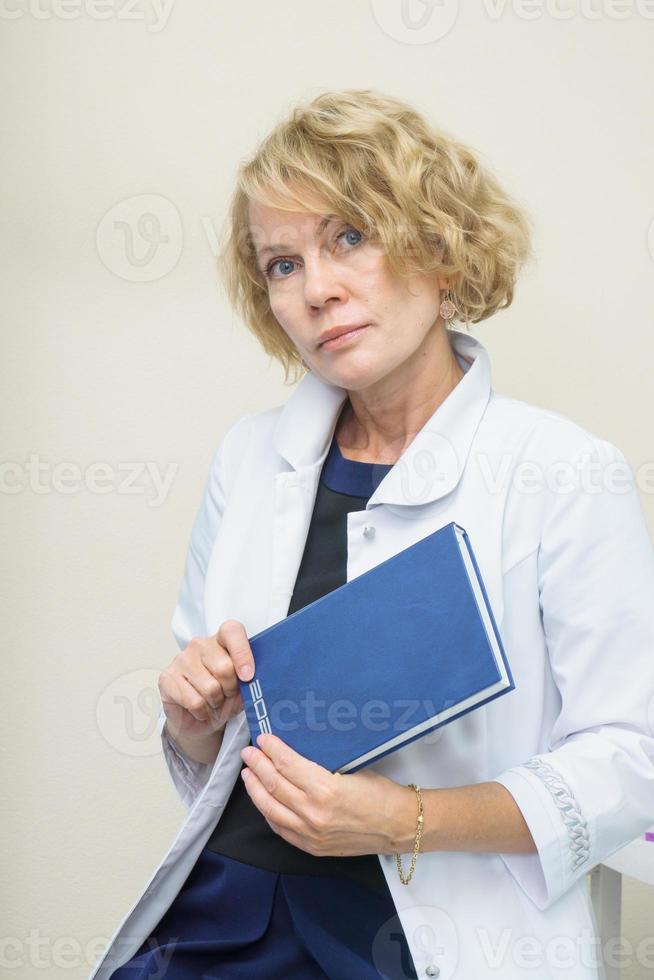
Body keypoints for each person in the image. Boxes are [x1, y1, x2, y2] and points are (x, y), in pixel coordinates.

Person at [90, 89, 654, 980]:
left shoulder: (564, 472)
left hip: (423, 941)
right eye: (282, 263)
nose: (317, 289)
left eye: (350, 237)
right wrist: (190, 714)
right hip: (221, 920)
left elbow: (634, 763)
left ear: (438, 249)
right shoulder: (251, 460)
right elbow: (219, 759)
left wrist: (406, 820)